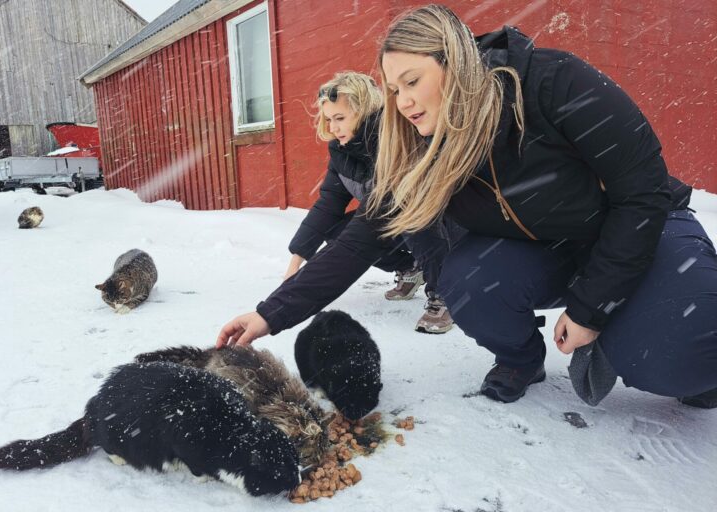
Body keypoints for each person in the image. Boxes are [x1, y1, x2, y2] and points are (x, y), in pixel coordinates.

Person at [217, 5, 717, 408]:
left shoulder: (552, 82)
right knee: (467, 278)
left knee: (675, 356)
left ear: (453, 62)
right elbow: (360, 240)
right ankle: (522, 359)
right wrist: (268, 316)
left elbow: (642, 194)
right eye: (393, 90)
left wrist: (591, 308)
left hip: (644, 230)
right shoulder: (422, 148)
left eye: (412, 81)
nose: (404, 102)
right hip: (549, 247)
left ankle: (692, 359)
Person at [284, 70, 455, 333]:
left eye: (340, 118)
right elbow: (328, 205)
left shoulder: (397, 138)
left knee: (410, 214)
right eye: (329, 119)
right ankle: (409, 267)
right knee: (336, 230)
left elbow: (409, 200)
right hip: (386, 218)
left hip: (440, 220)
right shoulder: (341, 152)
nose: (332, 127)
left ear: (364, 112)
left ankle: (445, 294)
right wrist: (295, 262)